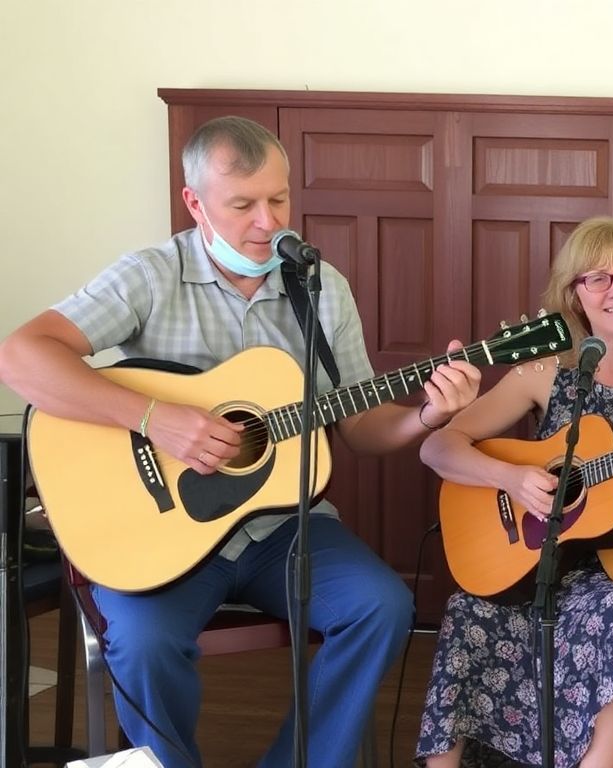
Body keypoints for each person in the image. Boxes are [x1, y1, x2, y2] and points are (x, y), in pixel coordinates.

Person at [0, 116, 482, 768]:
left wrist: (426, 415)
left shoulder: (320, 288)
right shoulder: (149, 276)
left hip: (283, 527)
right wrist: (153, 417)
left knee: (382, 606)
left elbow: (360, 428)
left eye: (278, 200)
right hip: (156, 530)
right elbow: (21, 356)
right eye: (242, 204)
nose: (266, 221)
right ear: (195, 202)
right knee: (141, 643)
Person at [416, 216, 613, 767]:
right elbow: (437, 449)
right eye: (596, 278)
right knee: (467, 612)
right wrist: (510, 478)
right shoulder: (545, 373)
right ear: (574, 296)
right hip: (528, 563)